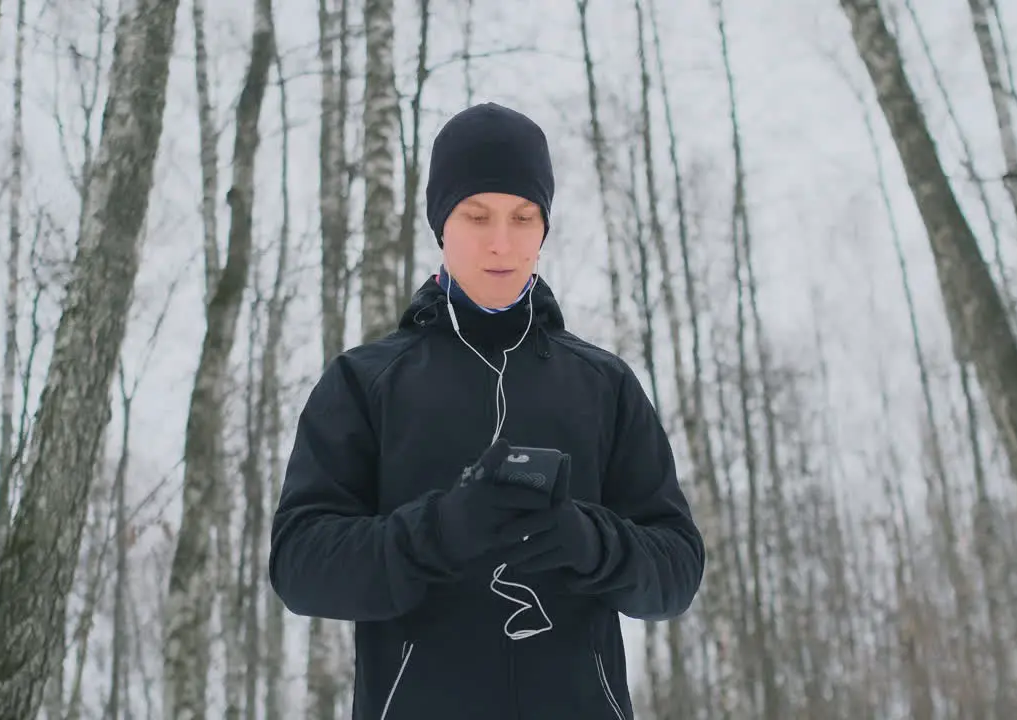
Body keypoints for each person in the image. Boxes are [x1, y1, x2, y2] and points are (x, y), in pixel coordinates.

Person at [269, 101, 705, 720]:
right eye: (476, 215)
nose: (501, 241)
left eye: (523, 217)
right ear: (440, 223)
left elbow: (678, 569)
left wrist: (590, 541)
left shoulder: (603, 384)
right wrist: (440, 530)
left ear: (544, 228)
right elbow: (299, 564)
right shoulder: (365, 383)